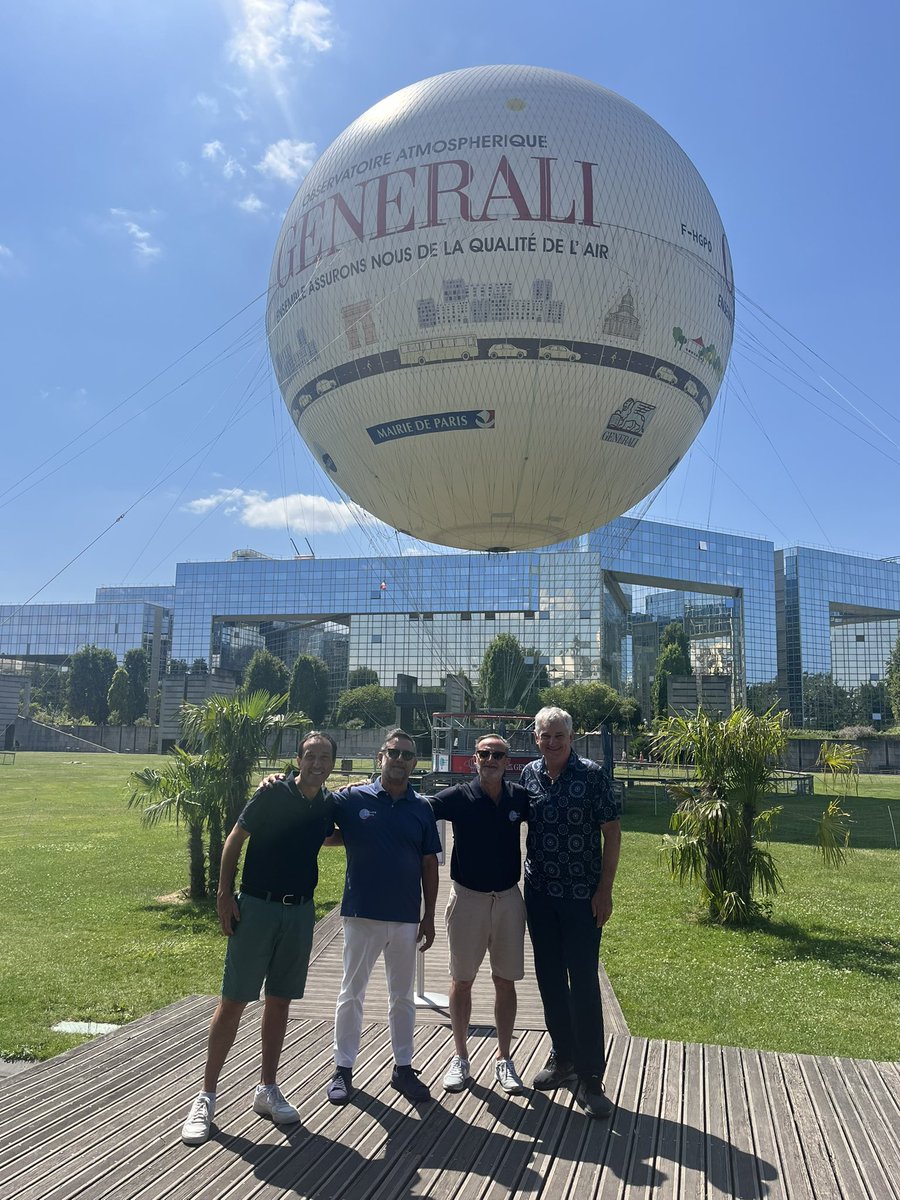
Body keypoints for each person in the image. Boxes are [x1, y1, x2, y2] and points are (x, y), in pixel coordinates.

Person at [180, 731, 338, 1145]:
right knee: (233, 999)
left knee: (280, 1001)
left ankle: (267, 1089)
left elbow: (327, 834)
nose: (317, 763)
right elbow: (234, 839)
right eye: (311, 756)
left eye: (325, 757)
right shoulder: (272, 793)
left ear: (332, 763)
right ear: (298, 759)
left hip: (300, 911)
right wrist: (222, 894)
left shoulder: (326, 804)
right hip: (257, 907)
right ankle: (206, 1095)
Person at [325, 729, 441, 1106]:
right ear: (380, 757)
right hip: (362, 913)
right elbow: (318, 819)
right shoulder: (352, 797)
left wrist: (429, 917)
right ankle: (343, 1068)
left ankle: (403, 1067)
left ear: (414, 762)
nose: (400, 760)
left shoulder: (422, 807)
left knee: (402, 996)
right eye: (394, 753)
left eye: (408, 755)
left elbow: (429, 864)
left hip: (406, 916)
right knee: (350, 993)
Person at [520, 706, 621, 1119]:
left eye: (559, 735)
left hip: (582, 896)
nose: (552, 742)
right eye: (545, 735)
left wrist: (605, 891)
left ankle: (591, 1074)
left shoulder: (593, 775)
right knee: (548, 978)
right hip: (540, 894)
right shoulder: (529, 774)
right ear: (536, 738)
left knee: (582, 981)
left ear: (571, 737)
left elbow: (612, 833)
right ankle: (562, 1058)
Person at [430, 733, 530, 1095]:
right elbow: (413, 807)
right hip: (468, 898)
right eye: (484, 754)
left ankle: (505, 1059)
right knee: (462, 980)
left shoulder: (519, 797)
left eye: (498, 755)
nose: (491, 760)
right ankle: (460, 1057)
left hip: (507, 899)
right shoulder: (458, 797)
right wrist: (367, 788)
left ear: (507, 761)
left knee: (505, 980)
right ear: (474, 758)